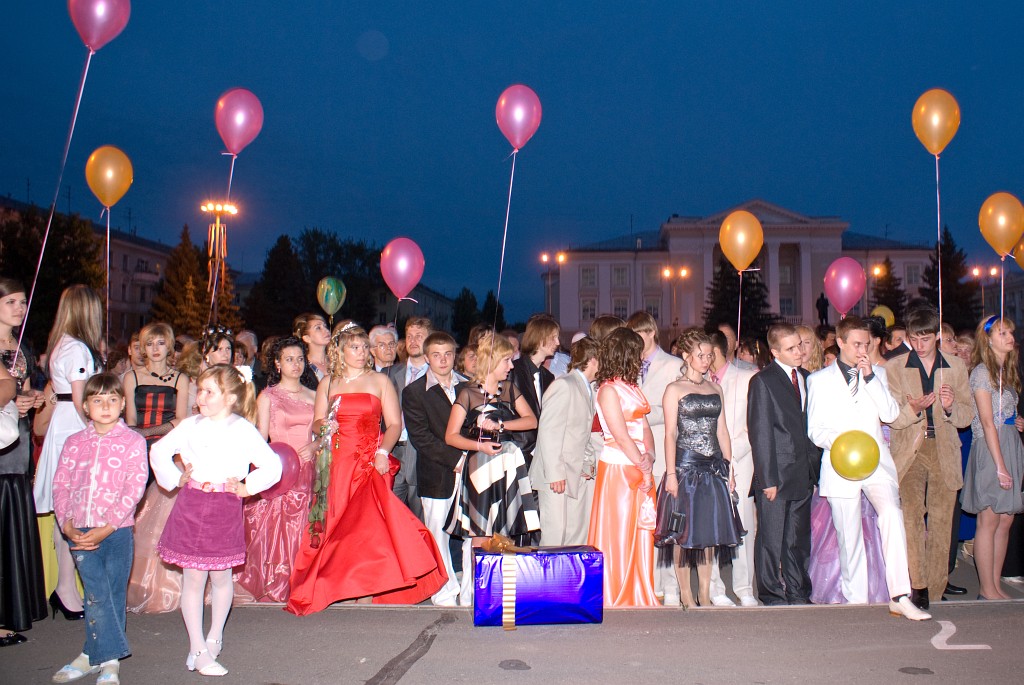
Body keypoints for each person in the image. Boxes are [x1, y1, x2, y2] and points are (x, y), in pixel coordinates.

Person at [286, 322, 445, 614]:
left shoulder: (380, 381)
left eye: (363, 347)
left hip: (369, 461)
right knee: (338, 526)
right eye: (355, 348)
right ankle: (342, 585)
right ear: (340, 351)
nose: (361, 353)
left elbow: (394, 424)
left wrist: (383, 451)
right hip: (337, 463)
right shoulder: (328, 383)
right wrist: (325, 426)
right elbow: (317, 422)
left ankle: (368, 587)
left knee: (367, 527)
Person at [150, 364, 282, 676]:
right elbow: (158, 450)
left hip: (224, 507)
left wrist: (247, 487)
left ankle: (214, 637)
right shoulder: (190, 426)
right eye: (200, 390)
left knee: (221, 577)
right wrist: (176, 478)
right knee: (194, 578)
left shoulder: (243, 429)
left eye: (209, 392)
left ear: (231, 398)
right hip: (192, 505)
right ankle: (197, 648)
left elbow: (272, 465)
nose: (200, 397)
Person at [807, 316, 931, 620]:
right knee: (848, 536)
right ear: (840, 342)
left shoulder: (878, 374)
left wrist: (871, 378)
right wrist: (844, 444)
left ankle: (900, 595)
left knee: (891, 515)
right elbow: (815, 430)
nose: (862, 350)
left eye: (866, 344)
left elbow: (890, 414)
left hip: (877, 465)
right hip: (840, 465)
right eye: (856, 344)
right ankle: (856, 601)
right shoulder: (819, 380)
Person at [50, 373, 148, 684]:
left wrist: (107, 527)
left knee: (112, 592)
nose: (105, 406)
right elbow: (61, 484)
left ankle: (91, 655)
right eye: (97, 400)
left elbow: (134, 488)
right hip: (79, 529)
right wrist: (66, 524)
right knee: (95, 592)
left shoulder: (133, 441)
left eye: (112, 400)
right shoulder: (74, 443)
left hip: (116, 531)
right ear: (85, 406)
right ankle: (109, 661)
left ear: (123, 404)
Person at [886, 307, 974, 610]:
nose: (919, 345)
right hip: (910, 450)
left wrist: (949, 407)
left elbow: (966, 416)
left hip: (944, 449)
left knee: (941, 521)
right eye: (914, 339)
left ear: (937, 336)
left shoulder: (955, 366)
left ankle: (936, 588)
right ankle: (919, 585)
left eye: (925, 339)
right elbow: (892, 418)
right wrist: (913, 409)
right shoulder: (895, 367)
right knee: (911, 517)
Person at [656, 328, 743, 608]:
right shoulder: (674, 389)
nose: (706, 360)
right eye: (701, 355)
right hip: (685, 467)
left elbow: (723, 431)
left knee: (709, 533)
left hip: (713, 468)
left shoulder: (715, 388)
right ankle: (685, 593)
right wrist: (671, 473)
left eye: (709, 356)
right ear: (686, 356)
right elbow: (670, 434)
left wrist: (729, 469)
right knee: (682, 534)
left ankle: (704, 594)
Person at [34, 284, 104, 621]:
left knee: (68, 512)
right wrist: (99, 433)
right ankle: (65, 587)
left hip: (64, 427)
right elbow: (81, 400)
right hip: (75, 429)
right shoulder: (77, 348)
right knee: (73, 512)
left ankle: (66, 586)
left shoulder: (62, 344)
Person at [234, 337, 317, 604]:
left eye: (300, 359)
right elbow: (260, 437)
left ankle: (302, 581)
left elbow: (323, 433)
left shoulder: (315, 395)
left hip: (309, 467)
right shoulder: (268, 396)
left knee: (304, 524)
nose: (296, 364)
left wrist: (315, 445)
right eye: (289, 359)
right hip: (279, 467)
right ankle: (276, 579)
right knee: (276, 526)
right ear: (278, 364)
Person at [444, 331, 540, 543]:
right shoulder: (468, 393)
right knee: (481, 530)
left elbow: (532, 421)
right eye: (506, 360)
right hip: (480, 464)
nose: (511, 366)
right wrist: (479, 446)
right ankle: (479, 566)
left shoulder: (509, 389)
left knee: (506, 531)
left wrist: (501, 425)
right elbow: (451, 436)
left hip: (507, 463)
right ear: (492, 361)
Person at [748, 324, 820, 606]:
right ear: (775, 352)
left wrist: (814, 469)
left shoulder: (806, 377)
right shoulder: (763, 381)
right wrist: (767, 479)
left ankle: (798, 590)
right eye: (791, 348)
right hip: (776, 474)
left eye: (800, 345)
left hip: (803, 470)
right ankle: (771, 593)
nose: (799, 351)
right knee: (771, 538)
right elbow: (760, 432)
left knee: (798, 538)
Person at [588, 328, 659, 607]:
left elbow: (644, 427)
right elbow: (620, 435)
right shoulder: (607, 390)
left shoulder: (632, 387)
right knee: (618, 531)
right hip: (619, 469)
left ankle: (637, 589)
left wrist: (650, 455)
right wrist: (644, 467)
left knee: (640, 530)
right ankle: (615, 590)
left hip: (638, 465)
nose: (641, 358)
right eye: (637, 353)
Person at [402, 332, 470, 606]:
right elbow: (421, 437)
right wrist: (456, 460)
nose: (443, 360)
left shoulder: (469, 386)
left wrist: (472, 457)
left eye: (448, 354)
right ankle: (443, 590)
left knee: (472, 532)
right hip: (437, 472)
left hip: (472, 469)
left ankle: (469, 590)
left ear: (455, 355)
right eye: (436, 355)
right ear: (427, 357)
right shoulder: (414, 392)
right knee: (437, 532)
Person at [962, 316, 1024, 600]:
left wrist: (1016, 421)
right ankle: (986, 588)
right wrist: (1000, 466)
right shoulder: (981, 373)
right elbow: (987, 422)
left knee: (1006, 519)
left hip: (1010, 443)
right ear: (987, 339)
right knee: (989, 519)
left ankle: (995, 585)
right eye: (1003, 333)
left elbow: (1003, 414)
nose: (1010, 337)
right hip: (991, 449)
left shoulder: (1005, 372)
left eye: (1010, 332)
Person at [0, 278, 46, 645]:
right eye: (11, 302)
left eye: (22, 302)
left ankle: (11, 612)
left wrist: (31, 400)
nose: (20, 308)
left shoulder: (22, 349)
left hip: (17, 444)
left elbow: (24, 392)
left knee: (11, 524)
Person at [627, 311, 683, 604]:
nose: (636, 339)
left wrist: (641, 414)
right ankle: (647, 581)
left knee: (666, 521)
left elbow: (679, 408)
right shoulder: (629, 364)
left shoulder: (673, 365)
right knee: (644, 522)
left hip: (663, 452)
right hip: (633, 455)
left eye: (639, 333)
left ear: (651, 332)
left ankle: (670, 585)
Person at [531, 336, 600, 547]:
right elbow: (549, 432)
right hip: (557, 475)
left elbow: (582, 433)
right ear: (593, 360)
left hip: (576, 472)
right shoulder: (564, 385)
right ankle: (548, 570)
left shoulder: (587, 387)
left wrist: (587, 463)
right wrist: (555, 474)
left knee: (575, 534)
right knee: (555, 534)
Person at [707, 330, 759, 607]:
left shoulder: (747, 379)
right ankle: (715, 588)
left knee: (744, 526)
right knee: (710, 526)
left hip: (740, 461)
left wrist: (728, 455)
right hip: (706, 464)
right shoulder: (698, 382)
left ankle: (744, 588)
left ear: (715, 351)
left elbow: (754, 427)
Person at [389, 316, 432, 519]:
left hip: (421, 455)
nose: (413, 341)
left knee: (420, 519)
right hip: (394, 453)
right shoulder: (390, 373)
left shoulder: (436, 376)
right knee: (390, 516)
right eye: (409, 336)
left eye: (419, 336)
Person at [122, 322, 189, 447]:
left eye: (161, 343)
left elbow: (181, 419)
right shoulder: (131, 377)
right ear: (143, 348)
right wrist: (137, 439)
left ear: (169, 346)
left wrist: (147, 432)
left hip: (169, 444)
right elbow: (131, 419)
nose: (155, 348)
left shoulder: (181, 379)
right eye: (149, 344)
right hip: (138, 442)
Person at [510, 315, 559, 467]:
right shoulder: (513, 371)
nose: (558, 342)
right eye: (553, 337)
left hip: (540, 455)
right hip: (517, 454)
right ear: (539, 338)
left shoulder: (548, 377)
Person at [293, 313, 330, 387]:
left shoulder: (337, 361)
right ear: (307, 338)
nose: (326, 330)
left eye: (325, 326)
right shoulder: (302, 367)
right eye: (318, 328)